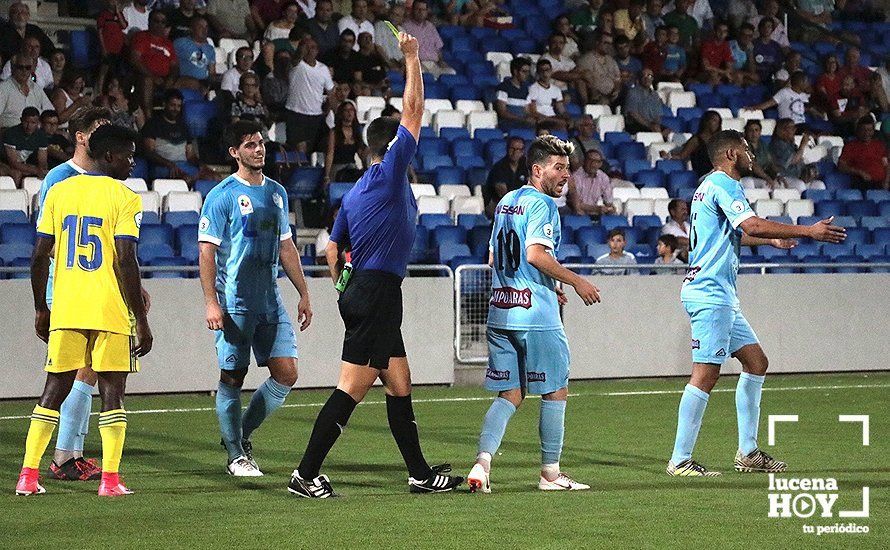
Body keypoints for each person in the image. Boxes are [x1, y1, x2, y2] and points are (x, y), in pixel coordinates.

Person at [288, 32, 463, 498]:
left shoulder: (355, 192)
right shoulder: (388, 176)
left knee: (399, 381)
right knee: (352, 386)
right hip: (378, 291)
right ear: (392, 146)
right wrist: (411, 58)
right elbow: (414, 111)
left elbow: (330, 247)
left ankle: (420, 474)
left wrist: (343, 285)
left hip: (366, 289)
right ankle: (304, 475)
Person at [667, 129, 846, 477]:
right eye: (747, 150)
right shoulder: (725, 184)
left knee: (756, 361)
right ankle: (680, 459)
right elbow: (749, 223)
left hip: (719, 294)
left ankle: (747, 453)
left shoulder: (707, 186)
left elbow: (736, 231)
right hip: (710, 292)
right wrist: (807, 231)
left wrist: (773, 241)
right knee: (705, 374)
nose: (753, 156)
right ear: (732, 154)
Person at [15, 124, 152, 497]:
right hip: (109, 309)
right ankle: (110, 481)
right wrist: (141, 318)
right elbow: (127, 260)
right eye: (128, 155)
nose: (132, 162)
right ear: (108, 156)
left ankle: (28, 476)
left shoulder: (58, 192)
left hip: (68, 308)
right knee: (112, 393)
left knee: (53, 388)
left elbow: (39, 256)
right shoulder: (125, 197)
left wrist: (41, 307)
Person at [465, 135, 601, 495]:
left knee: (510, 395)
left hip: (501, 311)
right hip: (535, 316)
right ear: (537, 170)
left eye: (568, 169)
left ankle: (482, 463)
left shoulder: (507, 201)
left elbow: (495, 258)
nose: (565, 176)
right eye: (558, 168)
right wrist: (575, 281)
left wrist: (545, 283)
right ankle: (551, 474)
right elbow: (536, 255)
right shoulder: (543, 206)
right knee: (556, 390)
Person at [198, 119, 312, 477]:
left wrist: (304, 293)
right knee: (233, 376)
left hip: (270, 301)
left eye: (260, 143)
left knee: (286, 373)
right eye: (249, 145)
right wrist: (211, 302)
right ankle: (235, 455)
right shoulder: (221, 196)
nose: (258, 149)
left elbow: (286, 245)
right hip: (234, 303)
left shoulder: (277, 191)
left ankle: (240, 436)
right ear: (234, 152)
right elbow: (206, 252)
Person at [285, 37, 334, 153]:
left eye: (311, 47)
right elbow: (295, 60)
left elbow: (330, 92)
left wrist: (327, 109)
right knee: (299, 149)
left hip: (315, 116)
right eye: (305, 47)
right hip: (296, 114)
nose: (308, 50)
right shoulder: (296, 64)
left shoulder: (323, 69)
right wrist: (300, 51)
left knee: (311, 150)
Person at [130, 10, 179, 117]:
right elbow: (135, 60)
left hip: (165, 79)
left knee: (188, 83)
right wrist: (152, 76)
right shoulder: (141, 37)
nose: (159, 25)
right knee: (148, 81)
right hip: (144, 76)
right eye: (156, 21)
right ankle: (149, 121)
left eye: (163, 22)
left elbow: (175, 65)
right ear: (149, 22)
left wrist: (171, 78)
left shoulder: (168, 43)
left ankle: (173, 121)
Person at [400, 0, 454, 77]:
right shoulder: (405, 27)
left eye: (423, 10)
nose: (420, 12)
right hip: (418, 64)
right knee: (423, 74)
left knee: (451, 72)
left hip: (434, 64)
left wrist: (441, 61)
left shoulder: (430, 26)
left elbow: (438, 48)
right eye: (417, 9)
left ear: (427, 11)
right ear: (412, 10)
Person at [0, 54, 54, 129]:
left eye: (28, 68)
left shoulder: (36, 88)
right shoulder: (3, 88)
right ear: (12, 68)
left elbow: (50, 112)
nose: (24, 71)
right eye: (20, 67)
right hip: (11, 133)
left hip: (36, 133)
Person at [837, 116, 889, 191]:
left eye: (869, 130)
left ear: (873, 131)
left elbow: (886, 165)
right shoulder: (850, 146)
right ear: (858, 130)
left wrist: (886, 181)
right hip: (864, 183)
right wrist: (859, 172)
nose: (866, 133)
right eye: (863, 130)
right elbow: (841, 166)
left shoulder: (879, 145)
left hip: (883, 182)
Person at [663, 110, 722, 177]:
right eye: (714, 120)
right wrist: (667, 156)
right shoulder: (696, 140)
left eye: (718, 121)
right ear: (706, 121)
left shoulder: (718, 141)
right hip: (704, 176)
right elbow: (681, 156)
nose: (717, 124)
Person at [324, 100, 367, 183]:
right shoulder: (334, 132)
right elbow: (330, 154)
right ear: (341, 113)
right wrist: (326, 176)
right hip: (338, 168)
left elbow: (361, 154)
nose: (349, 112)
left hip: (352, 168)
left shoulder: (356, 131)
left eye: (351, 110)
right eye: (346, 110)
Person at [484, 137, 528, 216]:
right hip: (500, 204)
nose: (514, 152)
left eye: (518, 149)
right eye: (512, 149)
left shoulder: (527, 166)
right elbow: (502, 194)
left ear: (522, 152)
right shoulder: (499, 167)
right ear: (507, 149)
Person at [3, 106, 48, 181]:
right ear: (21, 120)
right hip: (4, 163)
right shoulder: (11, 133)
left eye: (33, 123)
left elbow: (42, 161)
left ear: (38, 123)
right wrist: (35, 170)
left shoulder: (41, 135)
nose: (29, 126)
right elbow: (13, 162)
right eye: (26, 122)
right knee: (16, 174)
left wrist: (42, 171)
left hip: (24, 164)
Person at [173, 15, 217, 91]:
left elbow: (212, 72)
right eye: (200, 27)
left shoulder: (210, 49)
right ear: (192, 29)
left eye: (206, 27)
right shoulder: (180, 43)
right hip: (184, 80)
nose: (204, 30)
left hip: (202, 83)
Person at [568, 148, 616, 216]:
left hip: (595, 214)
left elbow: (608, 202)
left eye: (597, 162)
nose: (593, 164)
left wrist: (610, 209)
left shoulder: (603, 177)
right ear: (584, 161)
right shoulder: (576, 177)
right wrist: (596, 209)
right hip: (576, 214)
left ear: (601, 164)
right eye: (591, 160)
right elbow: (575, 204)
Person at [527, 58, 569, 131]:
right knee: (560, 124)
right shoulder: (533, 88)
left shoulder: (556, 90)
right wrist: (548, 118)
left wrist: (568, 118)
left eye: (547, 70)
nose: (545, 73)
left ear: (551, 71)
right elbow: (533, 111)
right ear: (538, 73)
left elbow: (561, 109)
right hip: (540, 118)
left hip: (552, 118)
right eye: (542, 71)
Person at [623, 68, 669, 136]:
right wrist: (650, 126)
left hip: (651, 125)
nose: (647, 78)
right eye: (643, 76)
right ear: (639, 78)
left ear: (652, 79)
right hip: (636, 125)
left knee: (669, 132)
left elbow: (658, 116)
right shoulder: (633, 92)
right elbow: (633, 114)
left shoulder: (655, 95)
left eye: (649, 76)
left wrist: (656, 125)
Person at [495, 57, 535, 130]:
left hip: (523, 124)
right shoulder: (504, 87)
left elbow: (527, 111)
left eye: (528, 72)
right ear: (516, 72)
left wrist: (530, 118)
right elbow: (502, 112)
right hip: (508, 124)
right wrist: (521, 119)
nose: (527, 74)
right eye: (524, 71)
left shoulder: (526, 89)